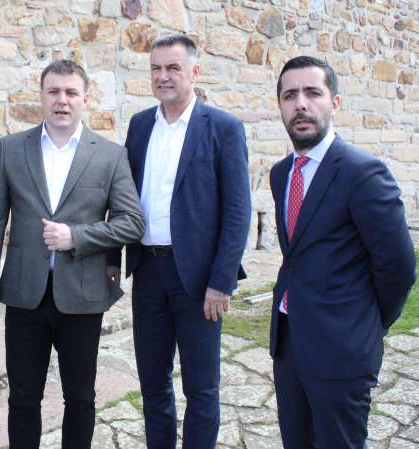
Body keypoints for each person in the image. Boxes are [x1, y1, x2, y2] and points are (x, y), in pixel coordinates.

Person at [0, 59, 144, 449]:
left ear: (85, 99)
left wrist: (76, 237)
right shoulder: (12, 149)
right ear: (42, 97)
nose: (61, 100)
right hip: (24, 294)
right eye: (53, 92)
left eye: (70, 92)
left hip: (82, 295)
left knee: (80, 399)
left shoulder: (110, 155)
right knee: (22, 398)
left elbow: (132, 223)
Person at [110, 35, 251, 449]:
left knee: (201, 388)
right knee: (153, 383)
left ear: (194, 72)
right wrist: (113, 256)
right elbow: (122, 196)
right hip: (148, 272)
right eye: (156, 68)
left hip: (199, 278)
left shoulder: (223, 128)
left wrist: (222, 280)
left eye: (173, 68)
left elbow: (238, 211)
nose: (163, 76)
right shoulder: (140, 125)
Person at [269, 56, 416, 449]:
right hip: (289, 343)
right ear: (280, 105)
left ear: (334, 102)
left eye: (312, 93)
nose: (300, 104)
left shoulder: (363, 174)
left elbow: (399, 268)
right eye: (289, 95)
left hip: (341, 350)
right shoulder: (281, 174)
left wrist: (365, 325)